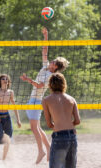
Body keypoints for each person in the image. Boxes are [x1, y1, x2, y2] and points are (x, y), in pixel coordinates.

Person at [20, 27, 70, 164]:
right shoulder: (45, 67)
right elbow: (44, 50)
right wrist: (46, 35)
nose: (51, 62)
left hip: (37, 101)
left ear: (56, 67)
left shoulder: (52, 76)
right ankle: (48, 149)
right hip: (32, 99)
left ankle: (41, 151)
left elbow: (39, 86)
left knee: (34, 127)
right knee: (37, 127)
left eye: (54, 62)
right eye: (52, 60)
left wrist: (28, 80)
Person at [42, 73, 80, 168]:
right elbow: (78, 121)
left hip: (59, 137)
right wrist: (68, 125)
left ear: (50, 85)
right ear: (64, 83)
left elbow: (49, 124)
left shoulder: (46, 100)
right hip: (72, 136)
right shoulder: (71, 99)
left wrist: (59, 125)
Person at [0, 74, 22, 161]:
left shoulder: (10, 92)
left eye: (6, 79)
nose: (5, 80)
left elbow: (15, 107)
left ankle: (3, 160)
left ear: (8, 82)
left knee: (8, 140)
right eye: (3, 79)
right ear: (0, 81)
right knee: (0, 139)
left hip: (7, 117)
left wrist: (18, 120)